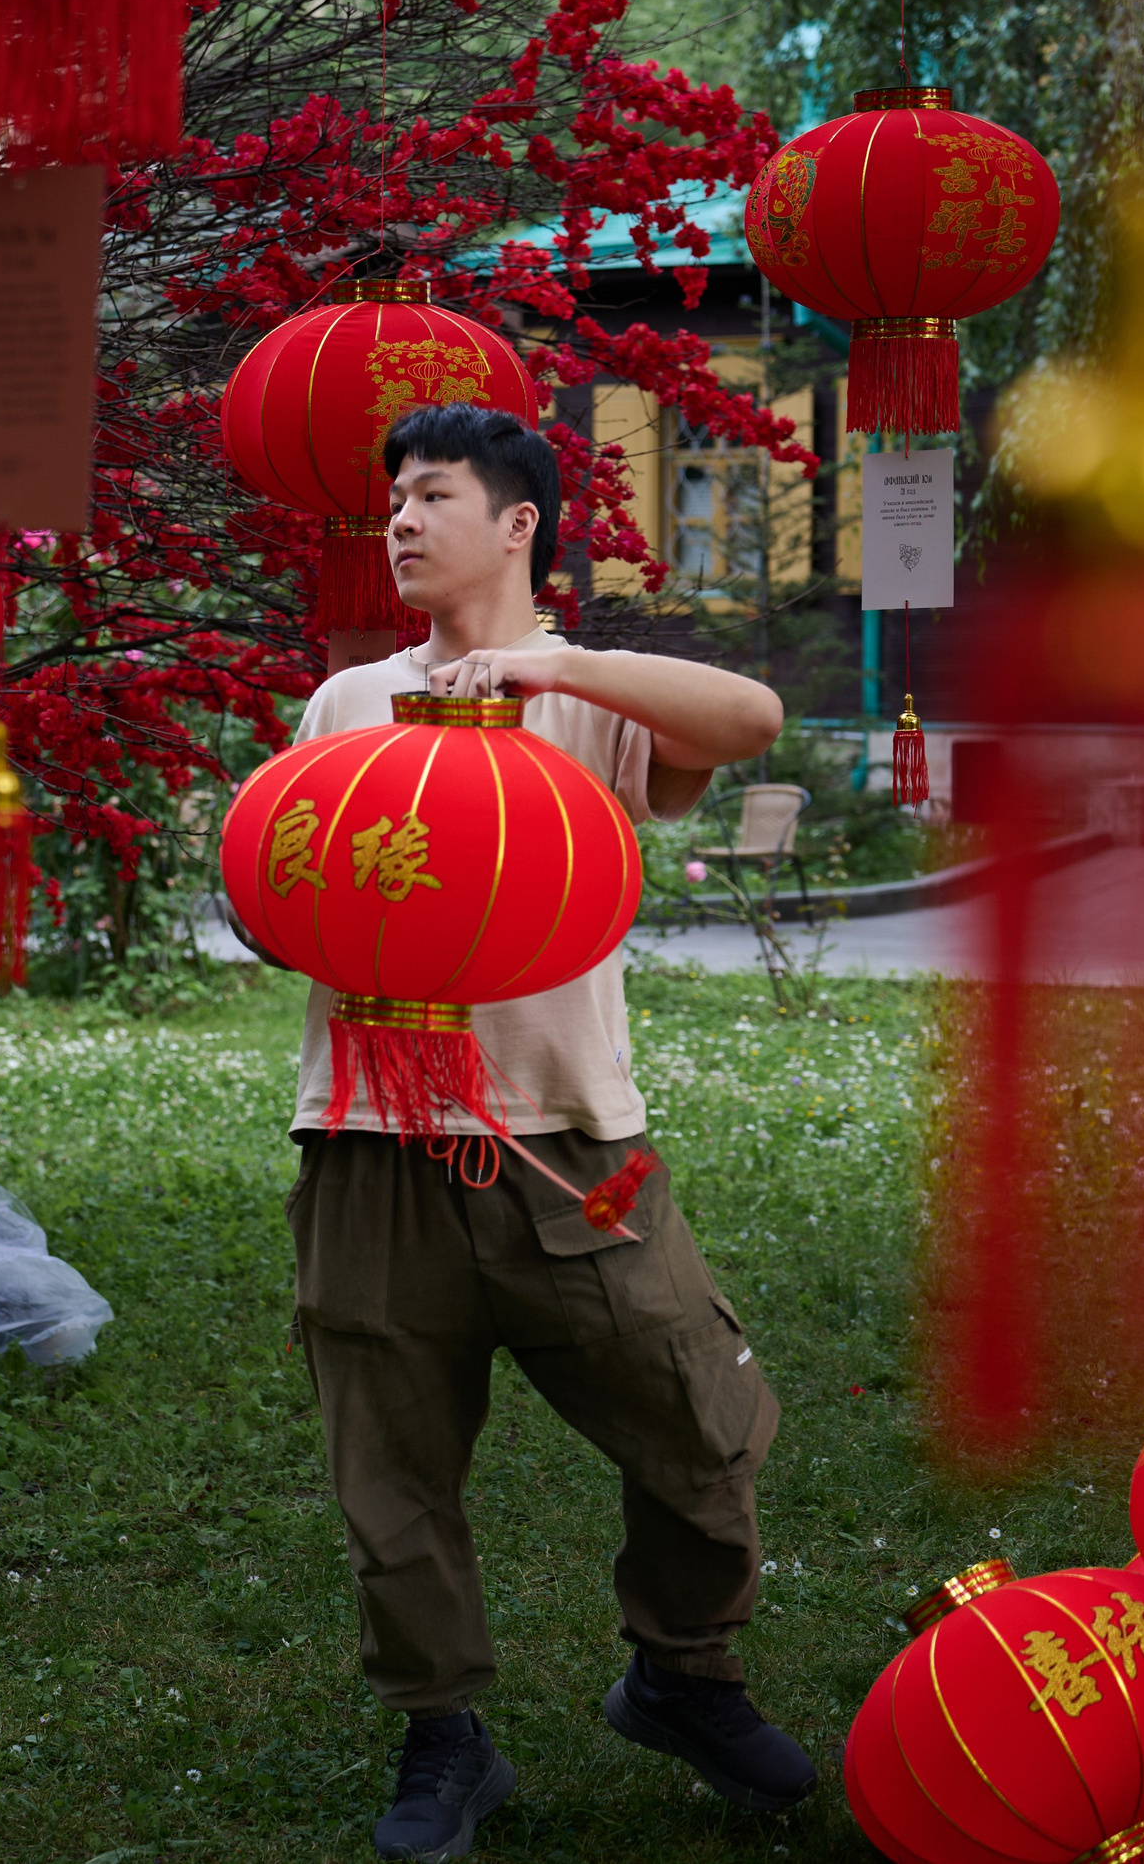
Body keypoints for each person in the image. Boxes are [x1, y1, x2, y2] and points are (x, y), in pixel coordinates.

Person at [255, 404, 814, 1858]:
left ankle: (684, 1673)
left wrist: (551, 661)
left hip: (573, 1141)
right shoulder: (347, 706)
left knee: (702, 1415)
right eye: (391, 496)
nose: (397, 518)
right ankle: (443, 1733)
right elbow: (285, 887)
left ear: (520, 524)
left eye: (431, 493)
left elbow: (751, 723)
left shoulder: (587, 698)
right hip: (369, 1138)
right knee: (391, 1467)